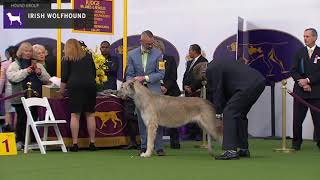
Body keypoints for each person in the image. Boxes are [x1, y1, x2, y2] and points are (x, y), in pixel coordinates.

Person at [206, 59, 265, 160]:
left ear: (204, 71)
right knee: (240, 115)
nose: (207, 80)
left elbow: (217, 90)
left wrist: (218, 113)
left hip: (247, 85)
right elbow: (228, 88)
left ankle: (230, 151)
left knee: (229, 113)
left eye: (205, 78)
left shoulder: (211, 68)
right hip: (258, 81)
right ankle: (243, 149)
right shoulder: (222, 63)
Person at [126, 30, 165, 156]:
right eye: (148, 43)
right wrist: (131, 82)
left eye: (152, 43)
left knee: (156, 119)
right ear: (141, 41)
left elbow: (161, 74)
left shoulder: (159, 54)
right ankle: (144, 146)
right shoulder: (131, 54)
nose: (150, 46)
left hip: (154, 92)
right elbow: (129, 74)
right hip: (139, 94)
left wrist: (145, 78)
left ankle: (159, 147)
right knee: (141, 119)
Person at [7, 42, 50, 150]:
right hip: (20, 97)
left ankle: (33, 140)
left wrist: (39, 73)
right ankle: (20, 140)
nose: (28, 53)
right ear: (21, 52)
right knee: (22, 118)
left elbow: (47, 78)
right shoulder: (14, 64)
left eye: (30, 51)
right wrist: (26, 71)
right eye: (26, 51)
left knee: (34, 118)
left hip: (35, 96)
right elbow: (12, 77)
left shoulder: (37, 64)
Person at [60, 39, 97, 152]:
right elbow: (94, 73)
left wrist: (61, 91)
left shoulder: (67, 58)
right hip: (90, 86)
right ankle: (92, 143)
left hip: (75, 87)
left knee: (75, 115)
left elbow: (64, 77)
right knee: (90, 114)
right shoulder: (88, 56)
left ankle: (75, 144)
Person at [290, 28, 320, 150]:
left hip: (316, 92)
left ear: (315, 38)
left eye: (307, 36)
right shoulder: (299, 52)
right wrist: (302, 83)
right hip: (300, 92)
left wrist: (308, 81)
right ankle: (296, 143)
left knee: (318, 121)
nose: (305, 39)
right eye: (304, 36)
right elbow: (293, 70)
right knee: (297, 119)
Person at [154, 39, 181, 149]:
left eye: (154, 46)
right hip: (156, 93)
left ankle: (175, 141)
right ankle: (157, 142)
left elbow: (173, 76)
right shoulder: (152, 60)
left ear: (160, 48)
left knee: (172, 117)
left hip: (171, 92)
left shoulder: (170, 59)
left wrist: (165, 87)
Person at [183, 44, 208, 141]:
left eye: (190, 50)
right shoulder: (189, 62)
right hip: (188, 92)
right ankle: (191, 133)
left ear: (195, 51)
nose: (188, 52)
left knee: (198, 112)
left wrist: (192, 88)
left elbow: (201, 77)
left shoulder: (204, 61)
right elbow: (186, 75)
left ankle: (199, 134)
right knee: (189, 112)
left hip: (197, 91)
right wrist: (184, 86)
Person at [0, 46, 18, 132]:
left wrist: (0, 91)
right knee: (18, 112)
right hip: (19, 90)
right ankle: (16, 132)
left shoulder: (4, 64)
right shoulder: (19, 63)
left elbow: (2, 79)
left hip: (8, 90)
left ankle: (8, 132)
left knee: (8, 111)